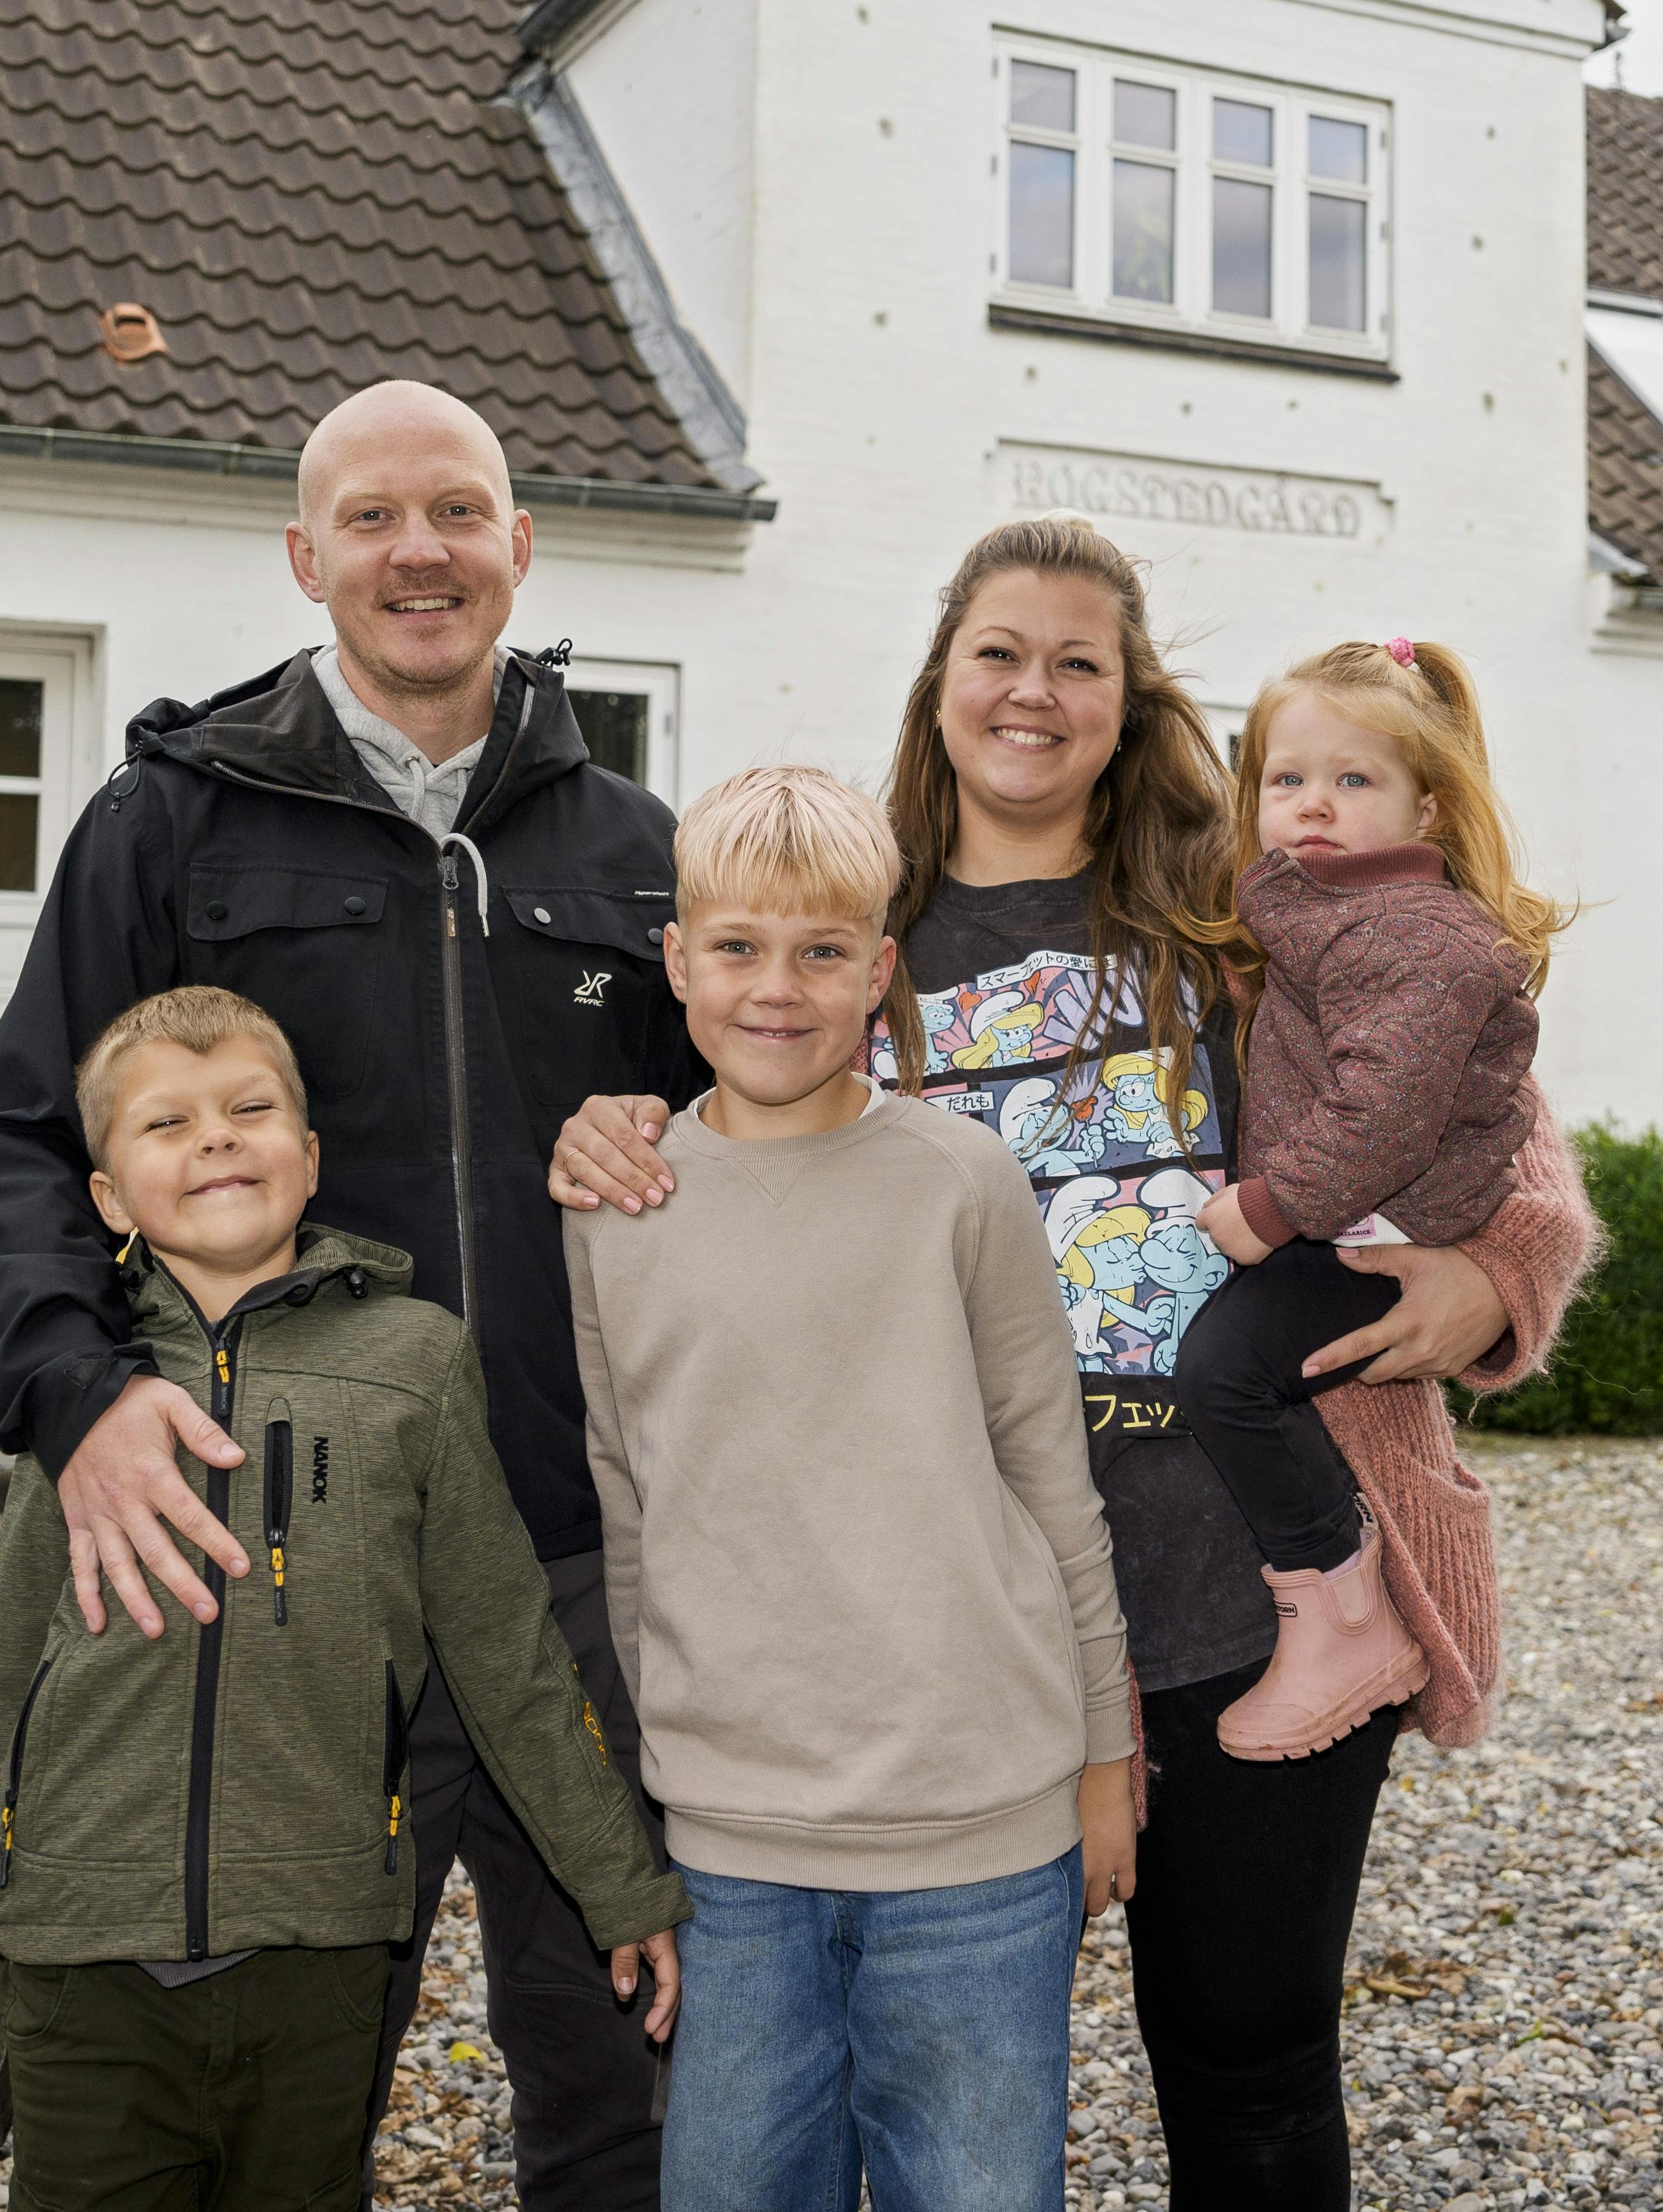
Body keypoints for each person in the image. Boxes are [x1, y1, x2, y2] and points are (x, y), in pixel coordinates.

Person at [551, 519, 1595, 2212]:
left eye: (1079, 661)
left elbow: (1487, 1102)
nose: (1033, 691)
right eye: (999, 652)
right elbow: (697, 1109)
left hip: (1249, 1587)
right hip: (949, 1625)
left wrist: (1496, 1269)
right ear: (942, 678)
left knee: (1248, 2063)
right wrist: (608, 1125)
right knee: (934, 2098)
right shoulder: (847, 927)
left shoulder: (1250, 908)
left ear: (1128, 701)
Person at [0, 381, 704, 2207]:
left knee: (618, 2086)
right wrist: (82, 1399)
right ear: (307, 557)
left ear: (522, 545)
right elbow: (19, 1150)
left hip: (583, 1574)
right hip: (277, 1578)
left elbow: (770, 1130)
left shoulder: (642, 856)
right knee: (252, 2117)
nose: (417, 550)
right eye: (371, 518)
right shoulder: (174, 824)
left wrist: (672, 1126)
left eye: (457, 511)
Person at [0, 988, 684, 2211]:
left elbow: (508, 1656)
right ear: (107, 1194)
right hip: (83, 1967)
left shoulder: (416, 1363)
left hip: (320, 1958)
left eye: (250, 1109)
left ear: (311, 1159)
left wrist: (622, 1887)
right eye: (167, 1123)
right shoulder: (85, 1404)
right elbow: (4, 1709)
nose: (216, 1138)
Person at [565, 766, 1136, 2212]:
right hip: (732, 1846)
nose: (779, 987)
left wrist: (1105, 1752)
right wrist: (651, 1788)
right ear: (678, 959)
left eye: (824, 951)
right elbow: (630, 1507)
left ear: (879, 974)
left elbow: (1052, 1480)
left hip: (982, 1828)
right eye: (741, 947)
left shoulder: (963, 1179)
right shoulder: (619, 1201)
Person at [1182, 636, 1562, 1763]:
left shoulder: (1405, 932)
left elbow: (1381, 1113)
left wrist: (1267, 1208)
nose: (1313, 806)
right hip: (1355, 1222)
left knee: (1229, 1372)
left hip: (1370, 1237)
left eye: (1354, 782)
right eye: (1287, 780)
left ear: (1427, 810)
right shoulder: (1321, 909)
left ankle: (1342, 1612)